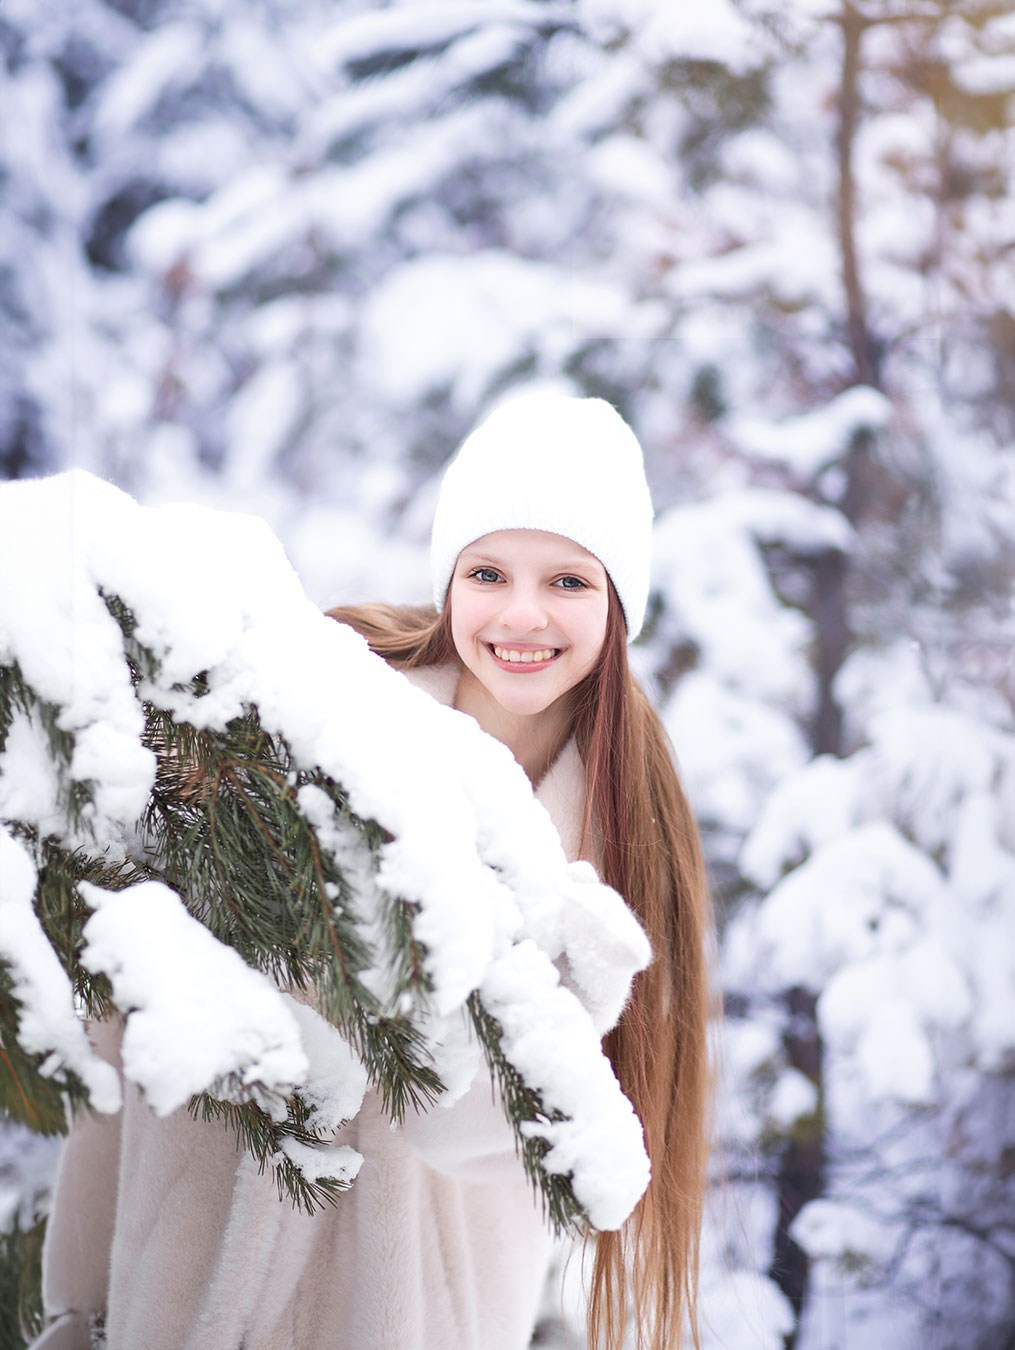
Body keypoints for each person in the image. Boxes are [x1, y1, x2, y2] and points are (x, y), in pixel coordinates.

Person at [35, 388, 712, 1350]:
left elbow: (473, 1136)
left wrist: (577, 989)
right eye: (488, 572)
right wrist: (82, 1295)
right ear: (449, 581)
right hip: (192, 1286)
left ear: (617, 603)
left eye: (568, 581)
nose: (522, 614)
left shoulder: (619, 839)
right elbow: (134, 1005)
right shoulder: (319, 709)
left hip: (408, 1313)